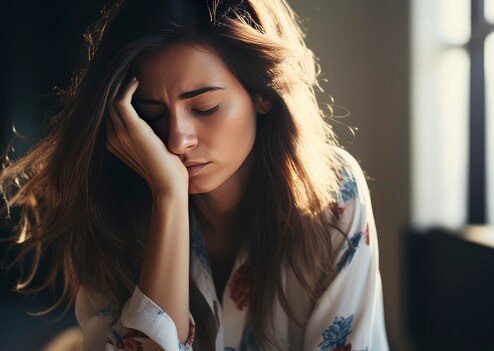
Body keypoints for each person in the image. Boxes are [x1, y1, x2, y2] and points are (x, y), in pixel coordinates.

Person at [0, 0, 389, 349]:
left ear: (263, 95)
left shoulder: (334, 194)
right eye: (150, 115)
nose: (176, 140)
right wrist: (167, 197)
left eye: (205, 107)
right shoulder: (107, 205)